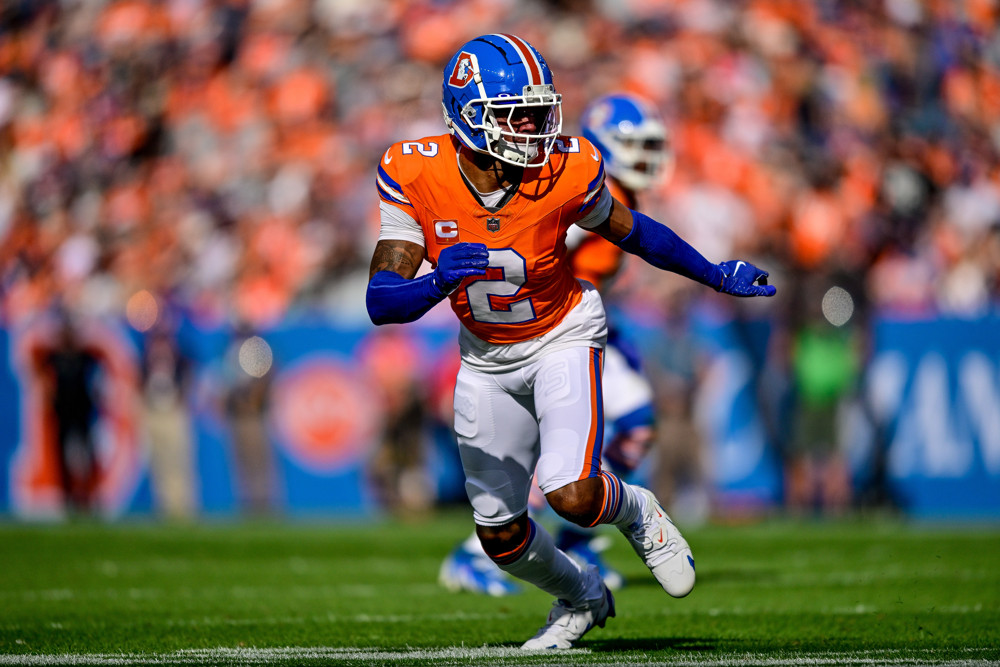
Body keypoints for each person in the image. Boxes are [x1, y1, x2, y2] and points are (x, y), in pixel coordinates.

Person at [365, 34, 775, 650]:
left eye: (537, 111)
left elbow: (635, 232)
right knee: (499, 536)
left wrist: (716, 274)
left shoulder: (564, 168)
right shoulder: (413, 170)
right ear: (470, 117)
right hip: (484, 357)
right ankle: (580, 595)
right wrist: (436, 280)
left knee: (574, 493)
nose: (534, 128)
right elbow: (381, 300)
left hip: (563, 332)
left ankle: (636, 510)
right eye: (516, 115)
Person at [438, 92, 674, 596]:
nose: (647, 157)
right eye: (636, 145)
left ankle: (570, 537)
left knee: (623, 432)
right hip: (543, 336)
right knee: (621, 429)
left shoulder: (616, 194)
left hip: (570, 328)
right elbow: (529, 262)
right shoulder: (585, 191)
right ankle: (483, 552)